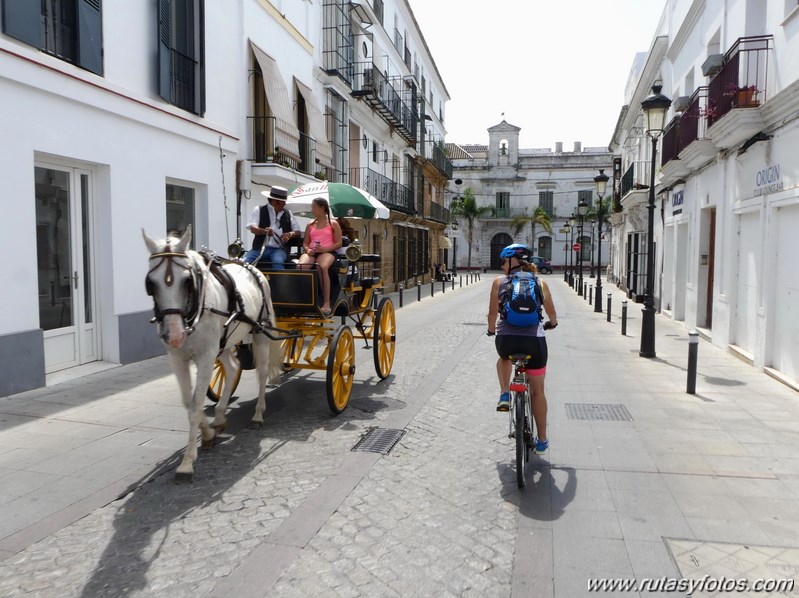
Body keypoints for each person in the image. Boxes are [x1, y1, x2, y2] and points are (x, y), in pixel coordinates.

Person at [487, 243, 558, 455]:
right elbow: (552, 313)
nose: (501, 265)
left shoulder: (498, 283)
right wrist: (552, 324)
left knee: (503, 358)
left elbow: (492, 315)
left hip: (506, 341)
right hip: (534, 343)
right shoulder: (540, 282)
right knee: (537, 391)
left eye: (503, 261)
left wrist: (492, 330)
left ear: (512, 262)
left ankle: (505, 393)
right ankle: (542, 440)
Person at [298, 198, 342, 315]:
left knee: (321, 267)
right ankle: (305, 297)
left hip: (328, 251)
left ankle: (326, 301)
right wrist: (308, 250)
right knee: (300, 267)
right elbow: (305, 242)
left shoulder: (333, 224)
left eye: (314, 207)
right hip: (312, 251)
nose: (312, 210)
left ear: (322, 208)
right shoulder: (310, 224)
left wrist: (325, 249)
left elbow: (339, 243)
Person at [242, 186, 301, 267]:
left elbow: (297, 231)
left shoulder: (288, 213)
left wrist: (290, 234)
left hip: (279, 250)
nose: (284, 204)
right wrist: (264, 231)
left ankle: (280, 279)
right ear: (274, 201)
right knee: (244, 261)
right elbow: (252, 227)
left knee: (277, 261)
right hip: (259, 249)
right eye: (282, 202)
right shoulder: (259, 210)